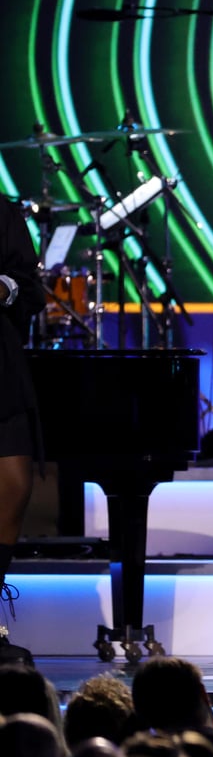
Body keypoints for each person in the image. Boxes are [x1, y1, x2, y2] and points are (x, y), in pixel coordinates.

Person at [0, 198, 43, 666]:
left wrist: (3, 288)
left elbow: (29, 287)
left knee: (14, 486)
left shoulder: (3, 213)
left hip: (1, 367)